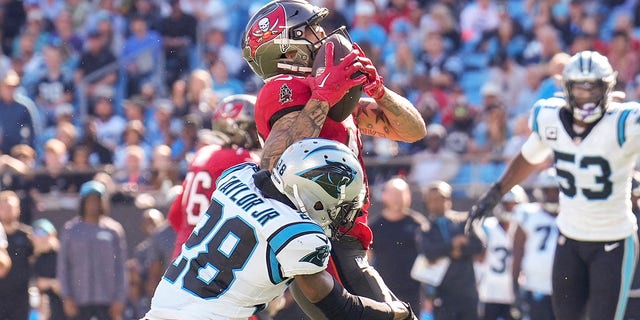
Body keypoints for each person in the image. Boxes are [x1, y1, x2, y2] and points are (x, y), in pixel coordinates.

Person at [241, 0, 426, 317]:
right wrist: (322, 98)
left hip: (343, 240)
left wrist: (379, 89)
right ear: (286, 49)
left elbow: (413, 131)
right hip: (324, 239)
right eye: (309, 30)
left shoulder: (323, 92)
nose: (320, 35)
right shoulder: (284, 88)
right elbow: (272, 164)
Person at [145, 138, 412, 320]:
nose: (341, 214)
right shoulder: (300, 236)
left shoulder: (238, 176)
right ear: (315, 195)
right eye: (340, 205)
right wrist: (396, 311)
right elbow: (339, 307)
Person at [466, 50, 639, 320]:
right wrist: (497, 191)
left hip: (613, 239)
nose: (586, 97)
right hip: (569, 236)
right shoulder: (551, 119)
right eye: (579, 90)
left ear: (607, 88)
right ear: (566, 88)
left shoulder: (624, 122)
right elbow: (529, 156)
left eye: (592, 89)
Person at [167, 94, 262, 258]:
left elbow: (175, 215)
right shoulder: (244, 159)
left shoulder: (203, 153)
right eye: (255, 128)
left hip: (182, 254)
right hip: (213, 259)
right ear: (240, 128)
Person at [58, 181, 127, 320]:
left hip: (107, 300)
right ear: (83, 202)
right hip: (78, 300)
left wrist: (120, 298)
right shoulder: (70, 230)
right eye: (89, 200)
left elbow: (121, 267)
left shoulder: (113, 230)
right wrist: (67, 297)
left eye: (97, 200)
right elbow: (63, 267)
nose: (93, 204)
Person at [419, 181, 483, 320]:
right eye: (431, 200)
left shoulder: (464, 220)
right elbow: (428, 252)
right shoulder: (426, 228)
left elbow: (479, 245)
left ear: (448, 199)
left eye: (440, 198)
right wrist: (452, 245)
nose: (436, 203)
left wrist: (461, 251)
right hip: (442, 293)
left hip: (467, 290)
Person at [369, 177, 428, 312]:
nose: (398, 198)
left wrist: (428, 294)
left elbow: (427, 258)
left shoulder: (418, 224)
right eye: (394, 194)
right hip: (384, 292)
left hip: (413, 292)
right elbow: (367, 260)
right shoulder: (375, 226)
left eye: (401, 194)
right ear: (384, 196)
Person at [512, 168, 559, 320]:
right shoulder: (527, 214)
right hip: (534, 287)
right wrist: (515, 287)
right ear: (541, 192)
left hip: (565, 289)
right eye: (548, 191)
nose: (552, 195)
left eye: (556, 191)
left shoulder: (572, 216)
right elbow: (517, 252)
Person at [477, 186, 527, 320]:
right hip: (489, 290)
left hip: (514, 290)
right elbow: (478, 258)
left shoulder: (524, 228)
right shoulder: (487, 227)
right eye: (507, 204)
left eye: (514, 204)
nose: (510, 208)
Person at [0, 190, 34, 320]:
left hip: (20, 296)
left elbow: (34, 260)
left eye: (10, 207)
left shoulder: (27, 236)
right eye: (3, 207)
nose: (7, 210)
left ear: (18, 209)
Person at [32, 218, 67, 320]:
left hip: (68, 309)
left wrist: (50, 283)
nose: (39, 237)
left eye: (42, 232)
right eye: (36, 233)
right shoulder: (37, 259)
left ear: (52, 234)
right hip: (50, 311)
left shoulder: (64, 255)